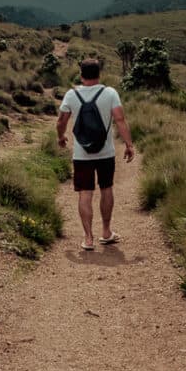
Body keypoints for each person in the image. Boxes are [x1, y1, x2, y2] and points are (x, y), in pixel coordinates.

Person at [56, 57, 135, 250]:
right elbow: (120, 119)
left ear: (81, 75)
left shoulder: (71, 95)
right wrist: (129, 144)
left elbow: (61, 121)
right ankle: (106, 232)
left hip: (82, 155)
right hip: (105, 153)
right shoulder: (110, 93)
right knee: (106, 189)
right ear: (99, 74)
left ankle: (88, 238)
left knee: (85, 193)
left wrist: (61, 137)